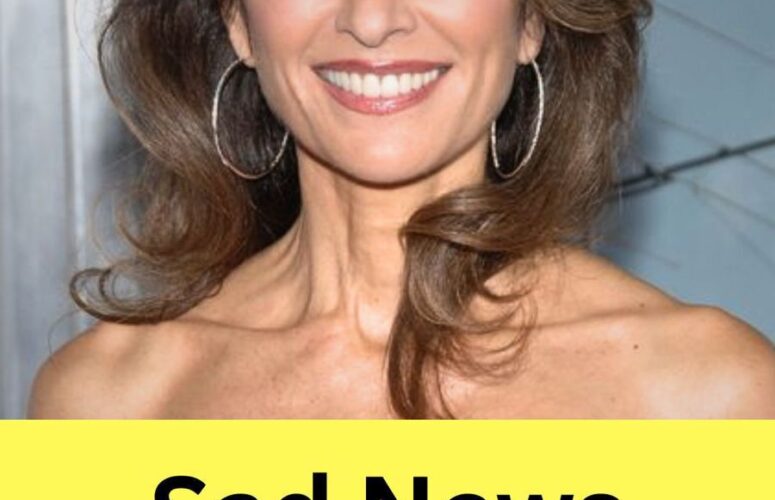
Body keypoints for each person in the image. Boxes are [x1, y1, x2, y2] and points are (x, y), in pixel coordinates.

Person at [27, 0, 775, 419]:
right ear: (237, 22)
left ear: (531, 21)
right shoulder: (108, 403)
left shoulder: (707, 396)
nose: (373, 20)